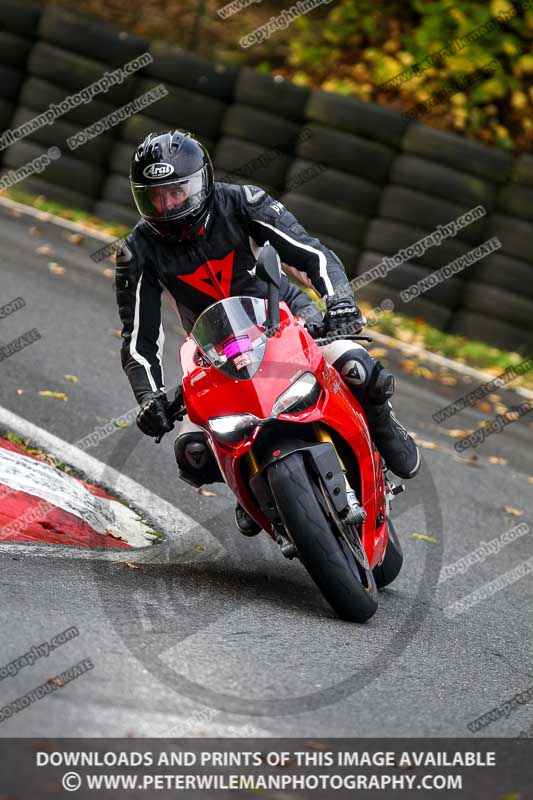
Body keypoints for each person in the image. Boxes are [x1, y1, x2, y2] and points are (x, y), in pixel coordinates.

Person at [114, 130, 419, 535]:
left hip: (285, 314)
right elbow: (138, 338)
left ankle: (381, 423)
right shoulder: (137, 250)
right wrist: (149, 397)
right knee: (192, 452)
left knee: (355, 366)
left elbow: (310, 253)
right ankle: (250, 488)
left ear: (201, 182)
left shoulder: (242, 202)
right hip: (216, 348)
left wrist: (340, 303)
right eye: (156, 196)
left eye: (177, 191)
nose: (168, 205)